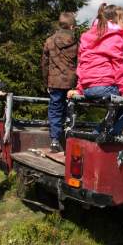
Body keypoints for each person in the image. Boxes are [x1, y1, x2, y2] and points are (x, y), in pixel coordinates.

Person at [67, 3, 123, 134]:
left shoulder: (86, 36)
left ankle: (98, 133)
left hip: (88, 88)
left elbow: (82, 64)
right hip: (105, 87)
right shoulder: (115, 38)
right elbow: (119, 66)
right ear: (112, 22)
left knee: (118, 107)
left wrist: (80, 89)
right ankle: (111, 137)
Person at [41, 12, 78, 152]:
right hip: (71, 83)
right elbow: (81, 63)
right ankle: (69, 138)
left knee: (55, 109)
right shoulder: (76, 42)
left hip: (55, 82)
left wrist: (46, 82)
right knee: (71, 109)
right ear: (72, 26)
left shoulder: (50, 41)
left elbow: (44, 64)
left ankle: (55, 140)